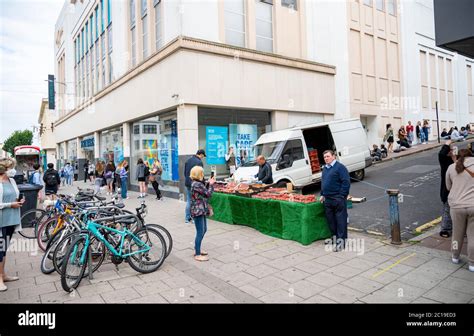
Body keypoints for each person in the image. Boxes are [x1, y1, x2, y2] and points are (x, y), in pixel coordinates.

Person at [445, 149, 474, 272]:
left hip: (457, 206)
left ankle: (455, 257)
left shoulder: (452, 167)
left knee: (457, 234)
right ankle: (472, 264)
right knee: (473, 235)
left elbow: (448, 187)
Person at [0, 158, 25, 292]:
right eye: (11, 167)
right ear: (4, 169)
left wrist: (20, 200)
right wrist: (11, 204)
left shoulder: (12, 181)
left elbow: (14, 195)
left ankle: (3, 275)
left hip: (10, 220)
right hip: (1, 220)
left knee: (3, 250)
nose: (13, 170)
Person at [319, 150, 350, 252]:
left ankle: (341, 243)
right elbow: (323, 182)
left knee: (340, 221)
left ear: (333, 156)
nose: (326, 158)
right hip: (327, 199)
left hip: (338, 199)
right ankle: (335, 238)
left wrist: (341, 196)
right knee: (331, 221)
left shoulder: (340, 167)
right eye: (324, 157)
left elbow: (346, 182)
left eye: (328, 156)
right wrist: (322, 194)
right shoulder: (325, 168)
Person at [189, 165, 215, 262]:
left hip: (200, 209)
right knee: (200, 231)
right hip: (198, 210)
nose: (203, 174)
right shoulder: (197, 184)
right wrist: (211, 185)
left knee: (204, 229)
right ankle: (197, 254)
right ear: (199, 174)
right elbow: (208, 194)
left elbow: (203, 192)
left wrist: (208, 183)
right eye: (202, 173)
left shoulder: (196, 183)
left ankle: (198, 249)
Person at [439, 140, 456, 238]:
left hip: (459, 190)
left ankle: (461, 229)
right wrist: (446, 144)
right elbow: (441, 154)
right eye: (451, 150)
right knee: (447, 210)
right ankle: (445, 230)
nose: (452, 151)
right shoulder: (444, 161)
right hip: (447, 190)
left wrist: (454, 158)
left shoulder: (457, 161)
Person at [184, 149, 205, 223]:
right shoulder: (199, 162)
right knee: (194, 201)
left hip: (187, 183)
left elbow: (185, 173)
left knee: (189, 200)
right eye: (203, 156)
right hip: (195, 184)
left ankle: (187, 218)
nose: (202, 157)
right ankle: (193, 217)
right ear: (201, 154)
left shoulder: (188, 160)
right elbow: (201, 175)